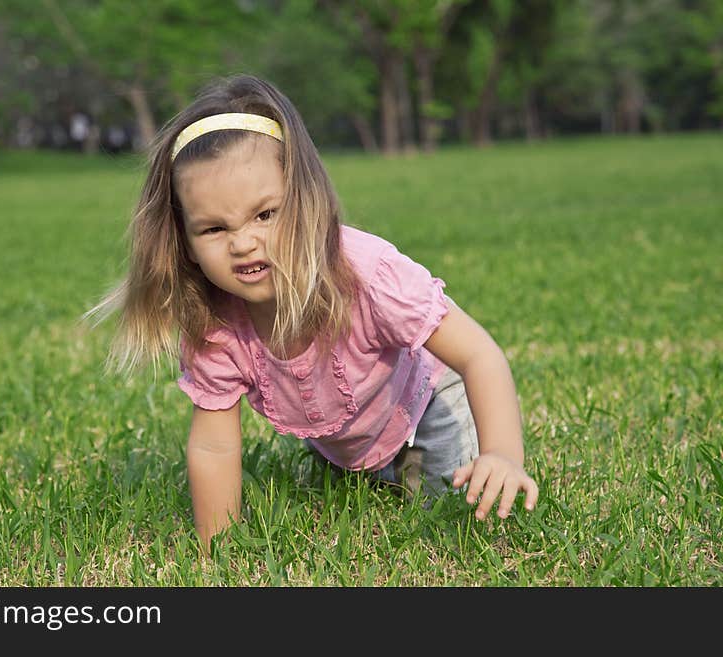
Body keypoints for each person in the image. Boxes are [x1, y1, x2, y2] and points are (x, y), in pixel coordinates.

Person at [85, 74, 539, 552]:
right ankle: (377, 469)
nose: (243, 243)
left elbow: (479, 356)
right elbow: (214, 445)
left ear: (306, 201)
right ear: (186, 243)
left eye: (265, 214)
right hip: (342, 437)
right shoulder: (215, 326)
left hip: (423, 407)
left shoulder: (367, 276)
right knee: (349, 496)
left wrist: (504, 454)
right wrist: (215, 551)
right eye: (215, 228)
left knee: (454, 519)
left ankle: (416, 470)